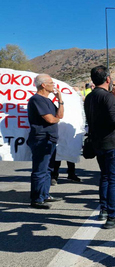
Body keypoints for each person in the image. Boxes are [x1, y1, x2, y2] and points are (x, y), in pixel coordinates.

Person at [84, 66, 115, 229]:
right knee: (114, 179)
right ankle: (112, 215)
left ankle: (104, 210)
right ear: (107, 79)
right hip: (113, 143)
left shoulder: (90, 97)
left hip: (99, 143)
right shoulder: (108, 97)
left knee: (105, 177)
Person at [27, 74, 65, 209]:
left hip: (50, 139)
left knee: (48, 169)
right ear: (43, 85)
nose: (53, 85)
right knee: (40, 169)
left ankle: (45, 194)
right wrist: (56, 119)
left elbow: (60, 115)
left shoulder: (48, 100)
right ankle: (37, 199)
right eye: (51, 82)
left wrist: (60, 100)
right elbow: (50, 119)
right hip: (41, 139)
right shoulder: (36, 99)